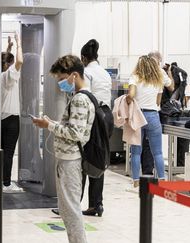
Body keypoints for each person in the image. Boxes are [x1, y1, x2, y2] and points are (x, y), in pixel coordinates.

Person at [33, 55, 94, 243]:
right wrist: (51, 123)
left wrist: (48, 126)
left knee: (71, 210)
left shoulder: (80, 99)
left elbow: (75, 133)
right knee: (68, 209)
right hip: (68, 159)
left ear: (73, 75)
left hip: (70, 161)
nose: (60, 84)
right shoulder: (79, 97)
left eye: (61, 79)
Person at [127, 55, 173, 187]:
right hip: (153, 116)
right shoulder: (158, 81)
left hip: (138, 115)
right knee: (157, 152)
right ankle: (162, 181)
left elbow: (131, 95)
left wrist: (128, 100)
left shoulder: (135, 77)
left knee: (136, 152)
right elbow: (158, 102)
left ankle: (136, 182)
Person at [80, 39, 111, 217]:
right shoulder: (104, 73)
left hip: (94, 118)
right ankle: (96, 204)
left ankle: (74, 203)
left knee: (84, 160)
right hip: (107, 117)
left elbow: (86, 98)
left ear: (83, 58)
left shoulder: (86, 72)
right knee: (99, 160)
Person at [1, 34, 24, 192]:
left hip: (0, 117)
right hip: (10, 119)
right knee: (8, 153)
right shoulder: (9, 77)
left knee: (0, 152)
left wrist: (8, 47)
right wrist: (18, 43)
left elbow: (6, 60)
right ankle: (6, 183)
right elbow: (20, 61)